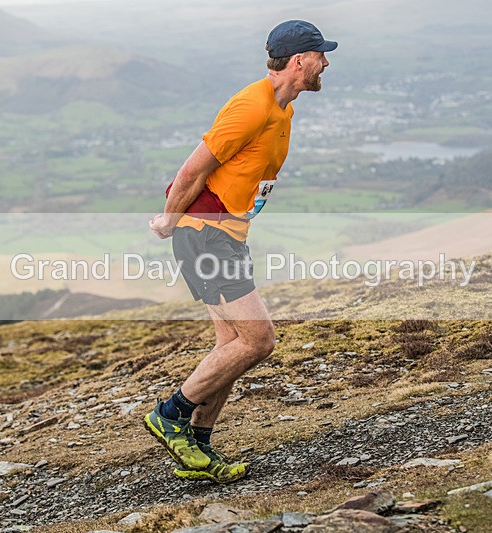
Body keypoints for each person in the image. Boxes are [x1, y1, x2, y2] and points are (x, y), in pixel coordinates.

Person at [144, 20, 337, 484]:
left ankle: (199, 444)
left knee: (231, 345)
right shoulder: (252, 106)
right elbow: (193, 169)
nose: (326, 62)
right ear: (298, 61)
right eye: (320, 55)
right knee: (258, 340)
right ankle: (170, 415)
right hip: (203, 233)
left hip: (225, 235)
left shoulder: (282, 108)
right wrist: (170, 221)